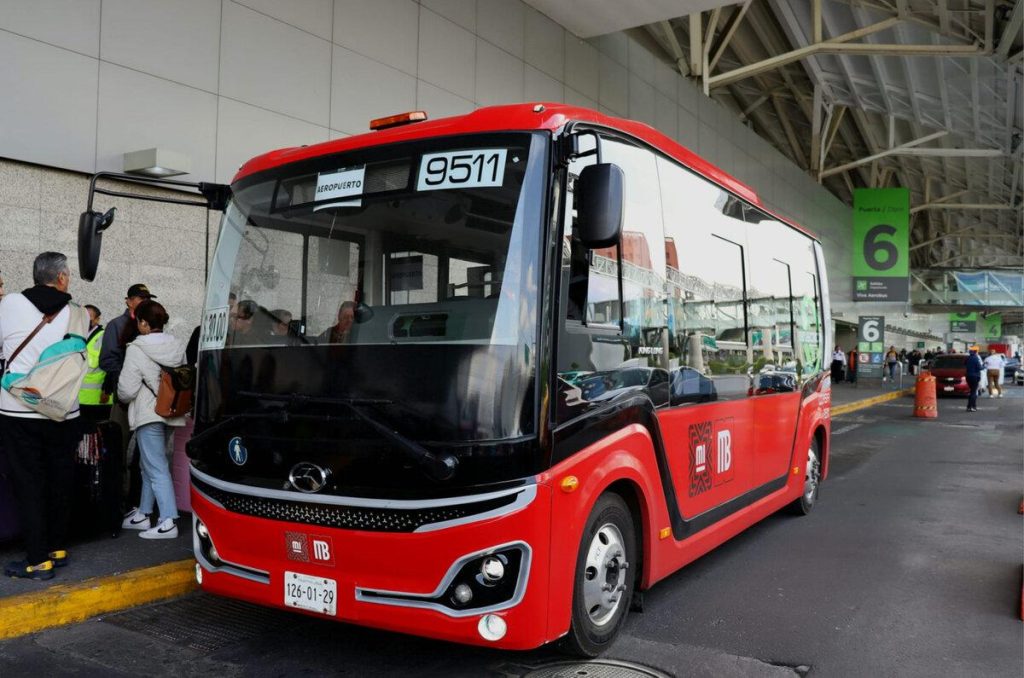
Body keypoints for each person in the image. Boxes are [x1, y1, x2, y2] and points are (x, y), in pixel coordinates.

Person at [0, 252, 85, 579]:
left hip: (18, 408)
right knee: (60, 479)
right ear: (62, 277)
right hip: (63, 411)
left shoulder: (9, 305)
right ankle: (56, 548)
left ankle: (37, 560)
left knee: (28, 483)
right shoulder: (78, 314)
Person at [116, 300, 186, 539]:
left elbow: (126, 388)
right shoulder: (177, 346)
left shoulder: (136, 348)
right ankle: (144, 514)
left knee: (155, 467)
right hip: (170, 410)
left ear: (144, 323)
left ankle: (168, 520)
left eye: (139, 322)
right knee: (151, 465)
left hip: (148, 413)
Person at [78, 304, 111, 422]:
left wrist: (107, 390)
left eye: (89, 318)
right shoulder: (74, 335)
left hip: (96, 400)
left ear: (97, 319)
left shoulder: (104, 336)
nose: (85, 321)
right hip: (75, 399)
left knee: (93, 437)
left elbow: (111, 365)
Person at [965, 347, 983, 412]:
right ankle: (973, 406)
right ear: (976, 352)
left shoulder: (968, 358)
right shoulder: (976, 358)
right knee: (973, 392)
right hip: (975, 376)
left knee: (971, 391)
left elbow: (965, 364)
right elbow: (979, 368)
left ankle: (969, 406)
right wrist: (984, 366)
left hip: (968, 376)